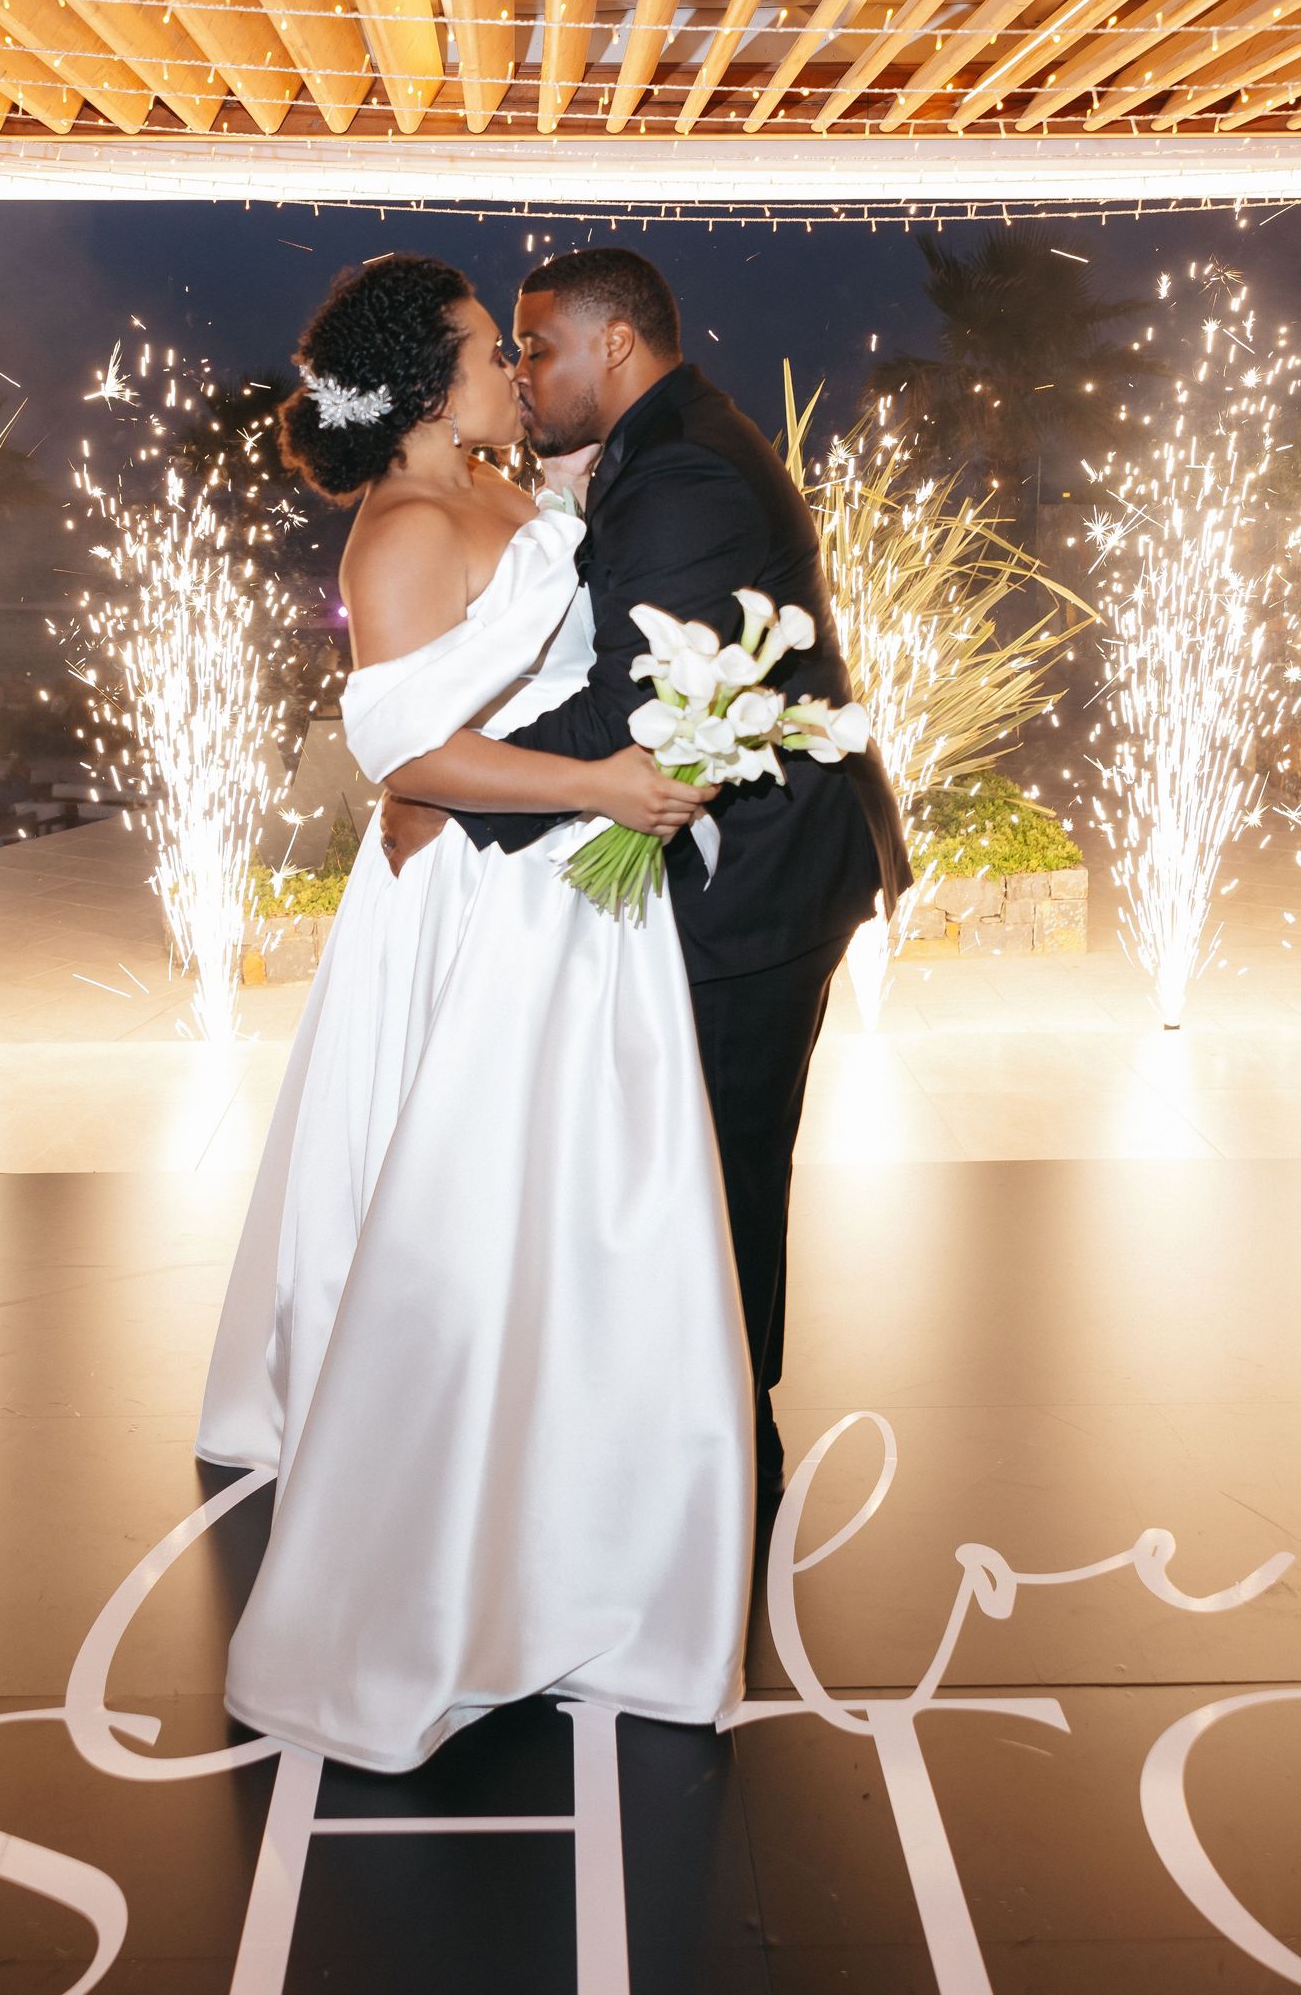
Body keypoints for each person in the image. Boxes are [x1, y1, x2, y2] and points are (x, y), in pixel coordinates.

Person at [197, 253, 755, 1777]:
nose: (514, 367)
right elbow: (410, 760)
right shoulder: (403, 528)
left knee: (594, 1218)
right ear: (431, 380)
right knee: (472, 1223)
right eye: (485, 351)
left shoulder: (524, 491)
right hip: (486, 909)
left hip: (577, 898)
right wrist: (598, 786)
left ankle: (601, 1517)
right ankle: (447, 1554)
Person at [383, 247, 911, 1504]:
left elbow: (636, 721)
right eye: (504, 352)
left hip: (758, 889)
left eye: (538, 347)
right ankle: (683, 1422)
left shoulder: (682, 472)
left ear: (613, 346)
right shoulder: (657, 448)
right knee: (685, 1163)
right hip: (723, 868)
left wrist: (447, 787)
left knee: (725, 1167)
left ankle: (731, 1448)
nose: (520, 372)